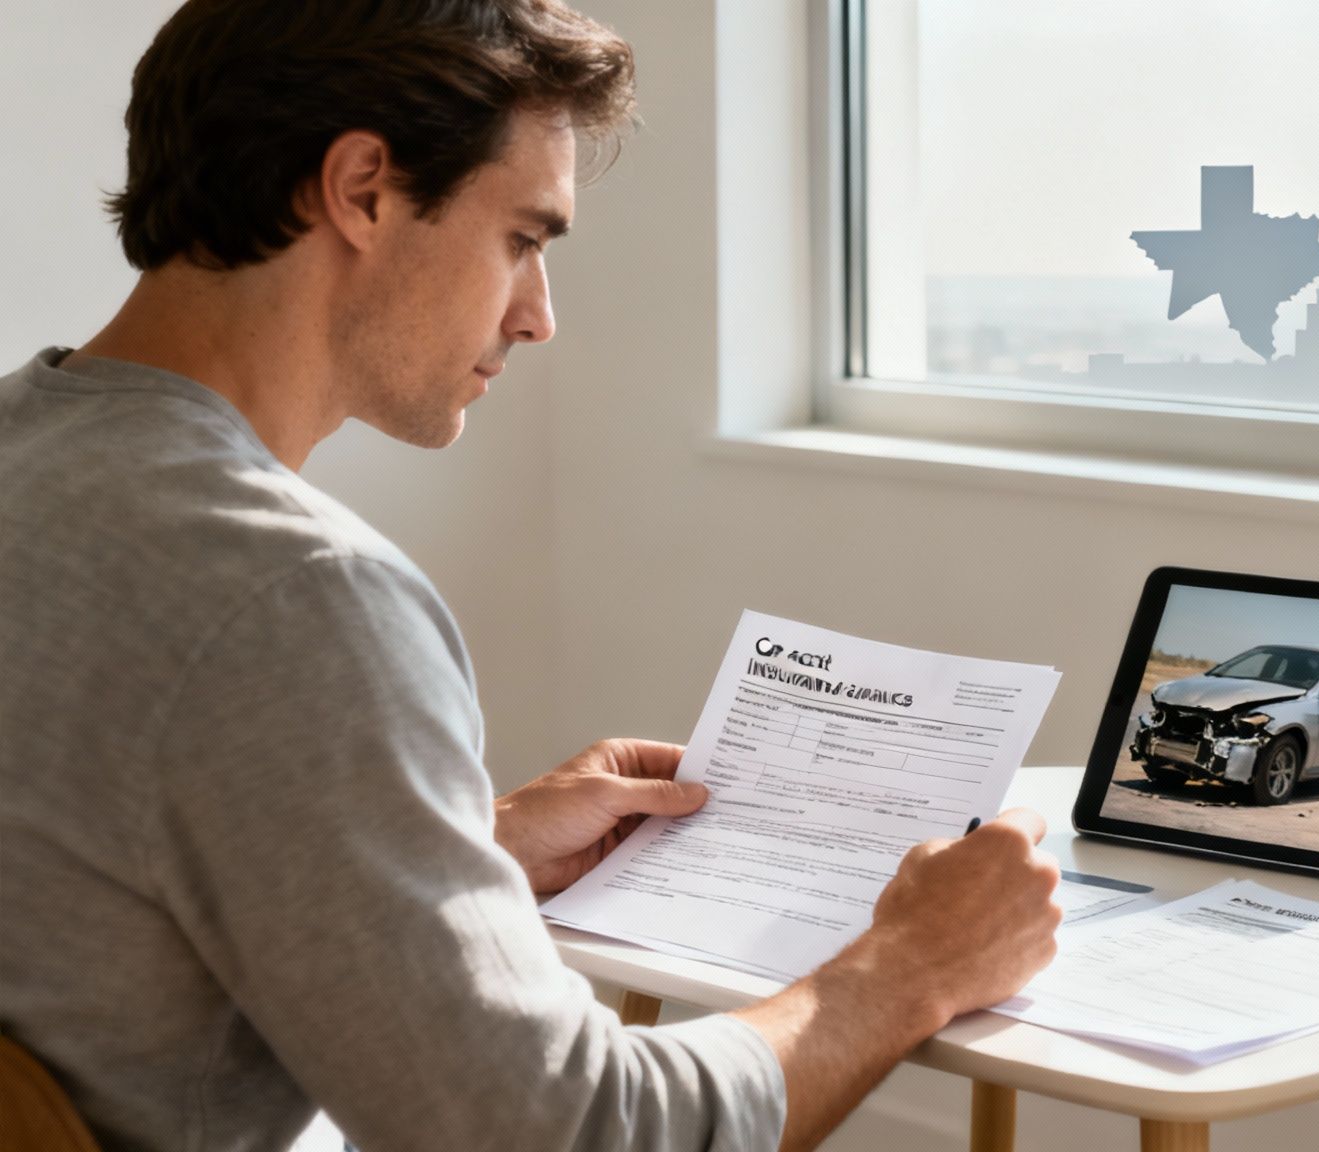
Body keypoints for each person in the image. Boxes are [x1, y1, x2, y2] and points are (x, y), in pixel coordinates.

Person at [0, 3, 1062, 1150]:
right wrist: (908, 967)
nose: (538, 317)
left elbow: (85, 908)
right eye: (523, 238)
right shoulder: (292, 593)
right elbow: (558, 1134)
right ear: (361, 188)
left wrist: (472, 847)